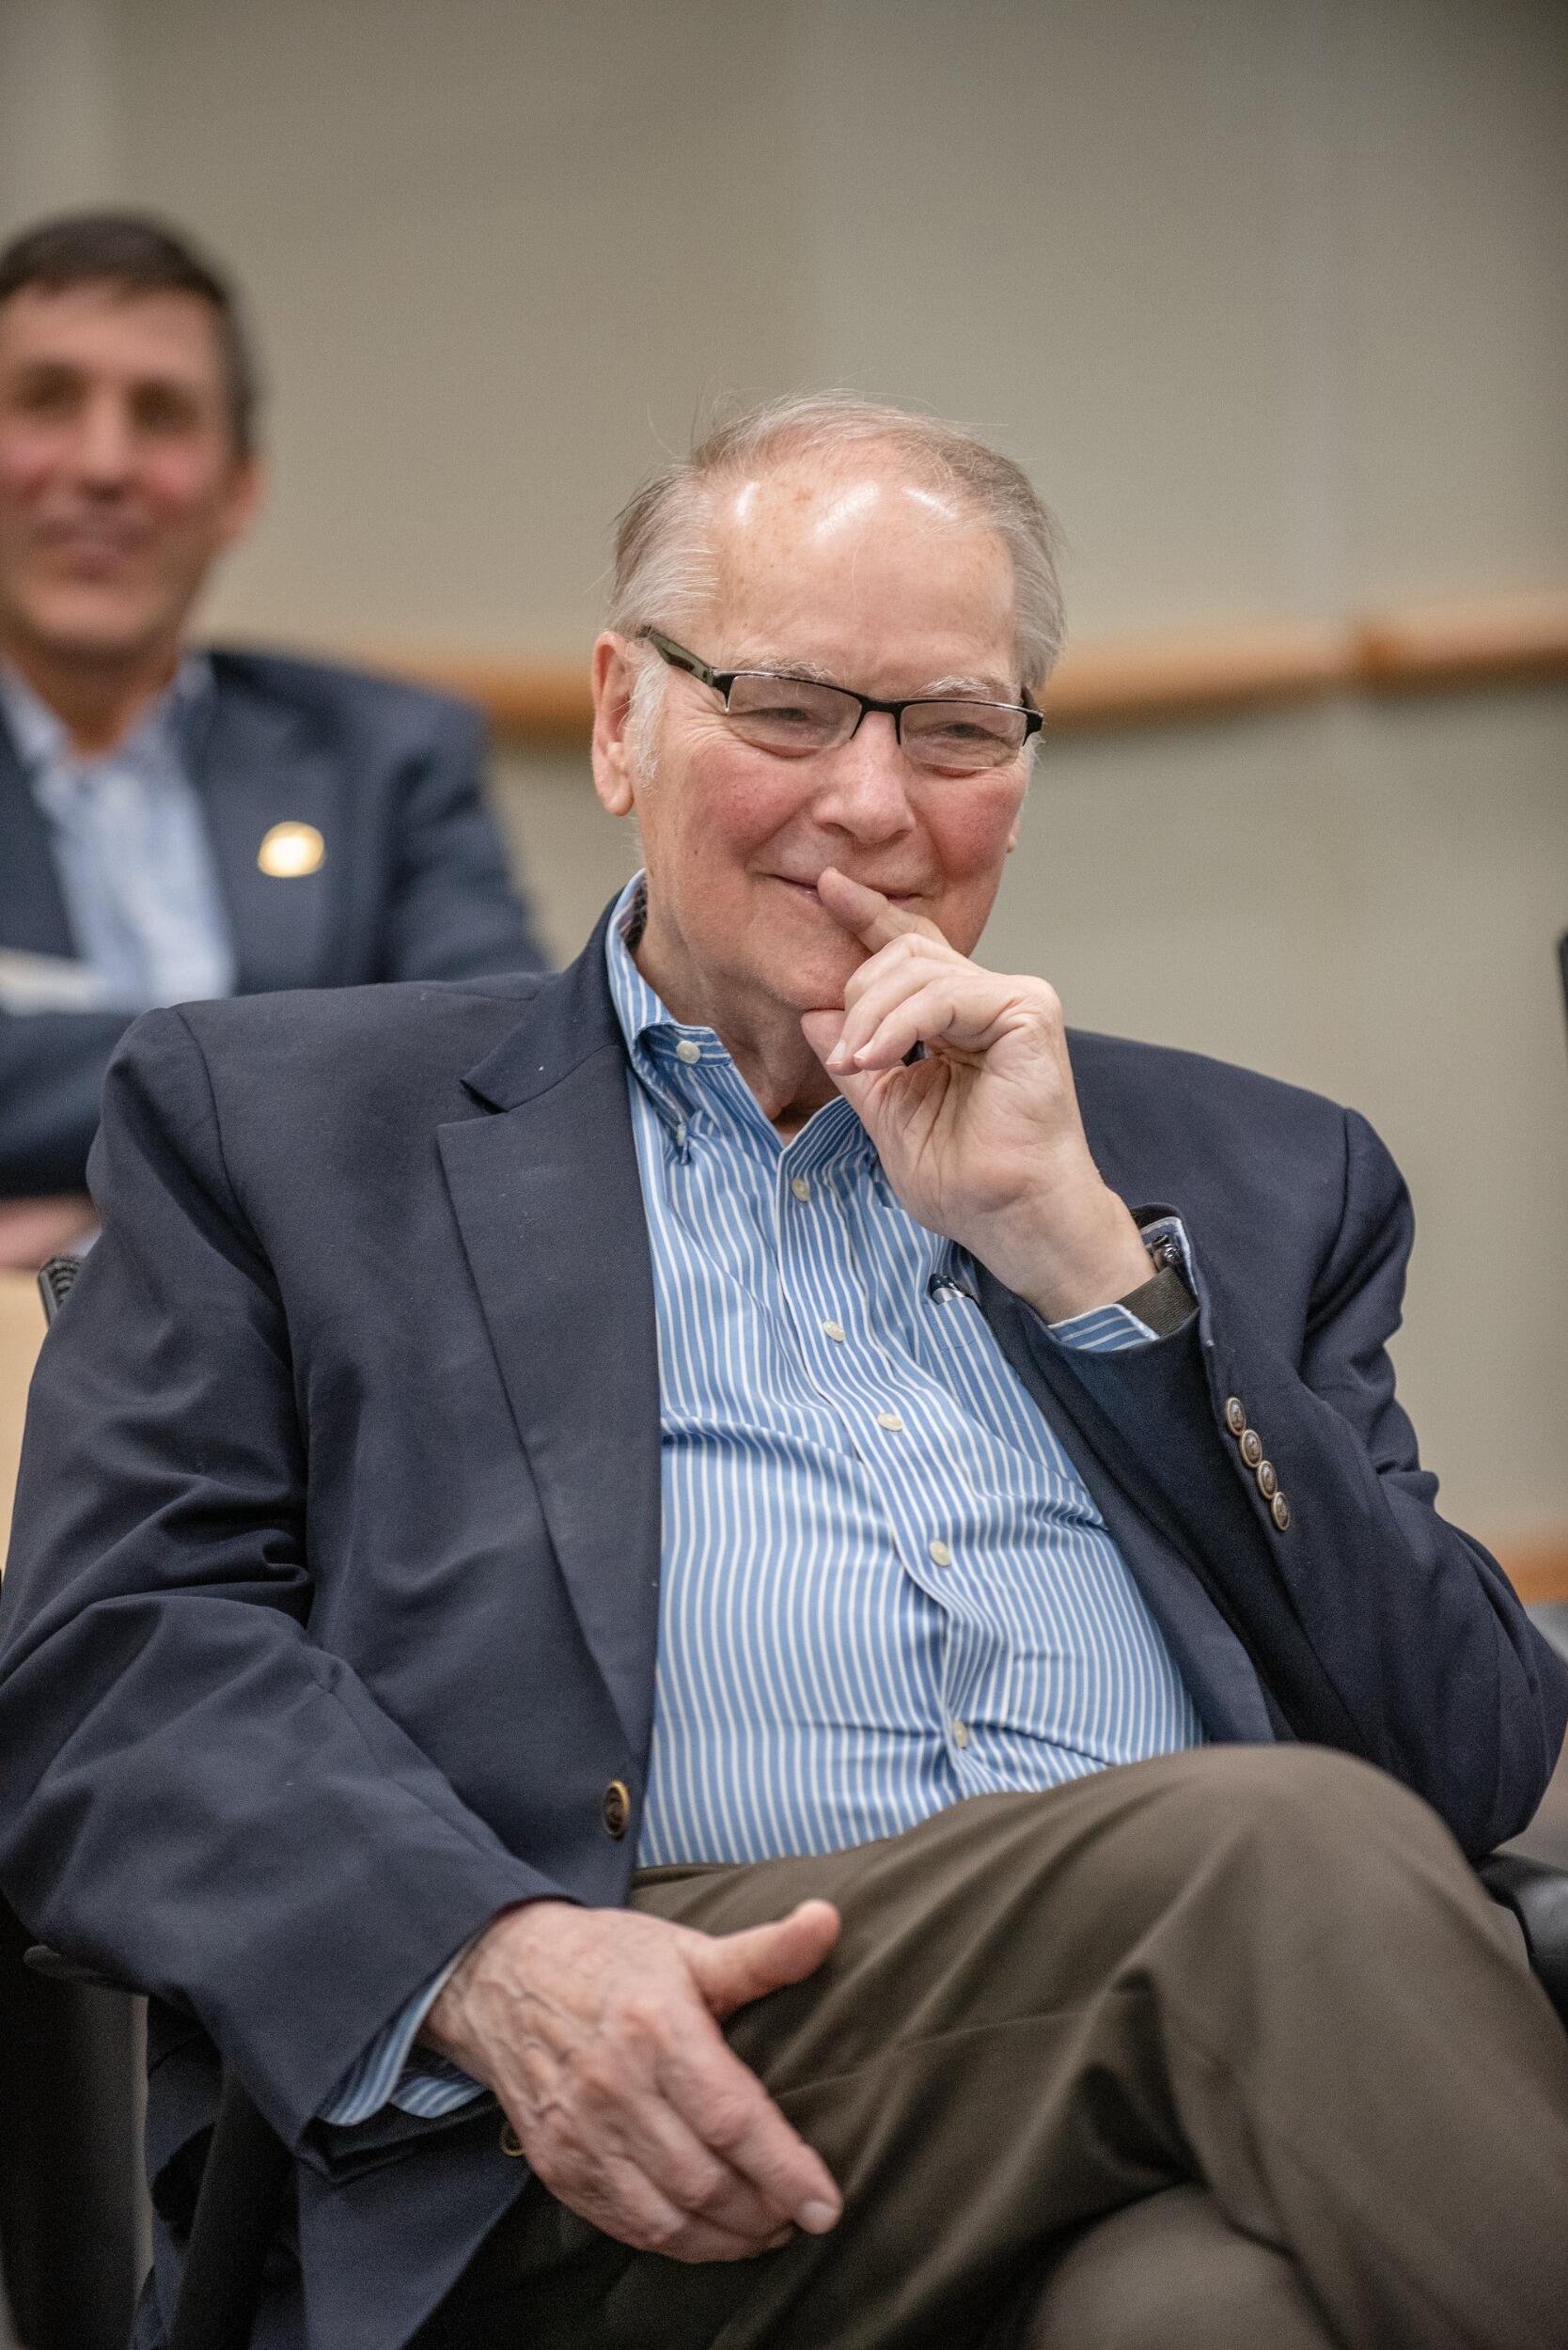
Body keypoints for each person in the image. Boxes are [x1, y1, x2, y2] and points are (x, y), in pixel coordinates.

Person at [1, 394, 1566, 2350]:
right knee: (1266, 1843)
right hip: (606, 2117)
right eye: (792, 709)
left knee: (1202, 2304)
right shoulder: (293, 1129)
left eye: (955, 729)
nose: (876, 804)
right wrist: (485, 1959)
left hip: (1143, 2092)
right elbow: (115, 1666)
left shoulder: (1244, 1173)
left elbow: (1470, 1746)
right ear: (616, 719)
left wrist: (1089, 1269)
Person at [0, 210, 545, 1271]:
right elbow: (405, 1070)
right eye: (47, 402)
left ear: (236, 490)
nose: (103, 464)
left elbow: (502, 1062)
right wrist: (308, 1059)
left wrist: (90, 1187)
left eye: (161, 414)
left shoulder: (386, 759)